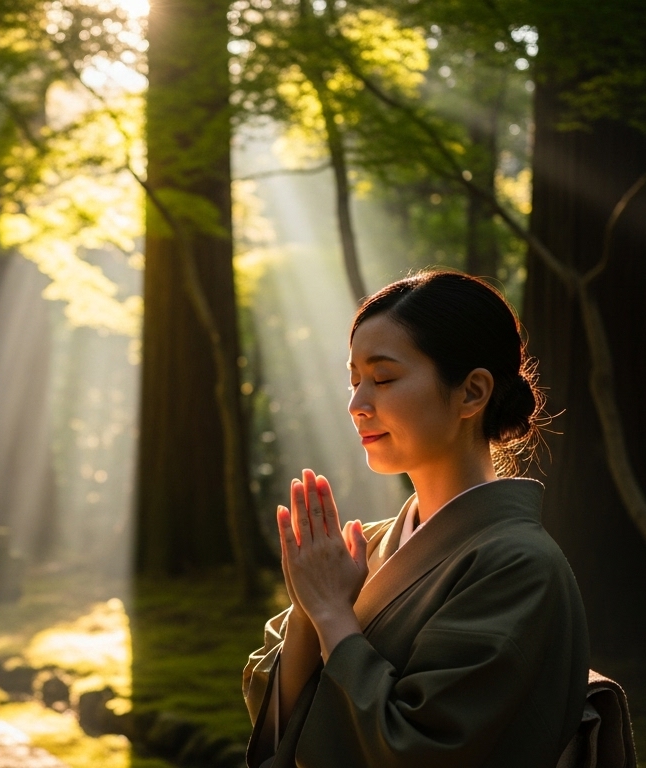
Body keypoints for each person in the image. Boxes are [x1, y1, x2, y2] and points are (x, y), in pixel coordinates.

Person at [243, 270, 590, 767]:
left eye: (382, 378)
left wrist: (332, 615)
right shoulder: (372, 545)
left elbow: (421, 751)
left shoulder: (520, 565)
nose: (357, 404)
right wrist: (310, 604)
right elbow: (270, 705)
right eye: (355, 380)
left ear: (472, 393)